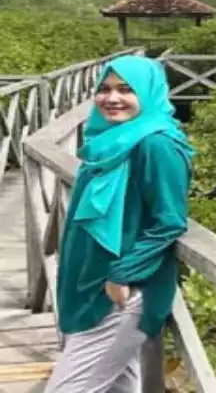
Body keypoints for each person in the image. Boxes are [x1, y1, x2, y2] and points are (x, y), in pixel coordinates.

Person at [45, 55, 194, 393]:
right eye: (105, 89)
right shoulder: (107, 141)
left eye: (126, 90)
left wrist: (121, 274)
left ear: (149, 93)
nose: (112, 98)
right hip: (90, 287)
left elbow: (169, 222)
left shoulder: (157, 144)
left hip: (121, 294)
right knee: (118, 386)